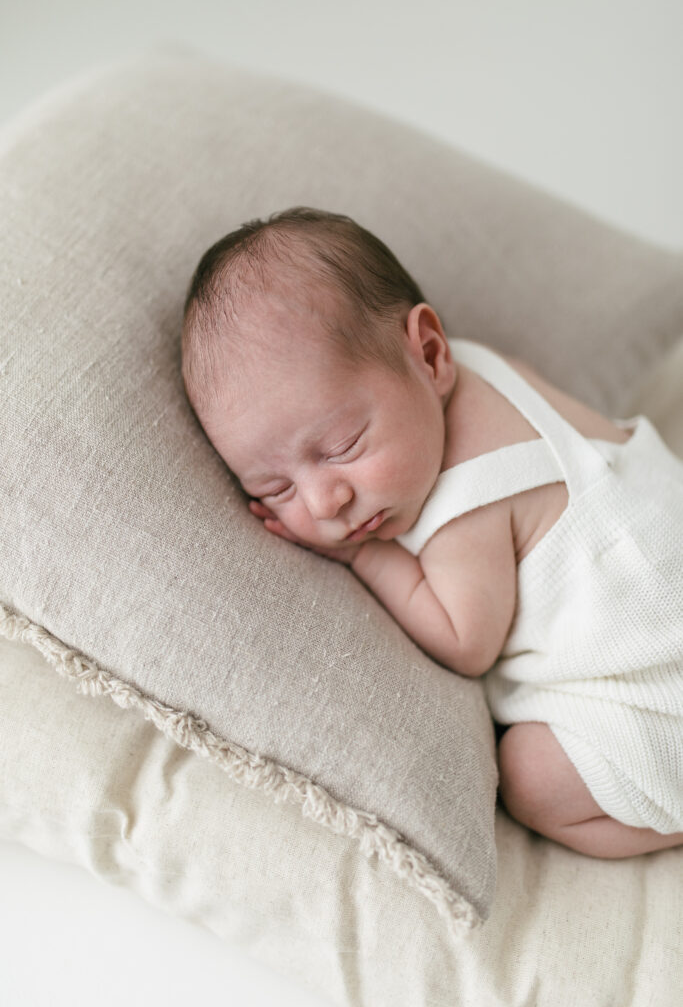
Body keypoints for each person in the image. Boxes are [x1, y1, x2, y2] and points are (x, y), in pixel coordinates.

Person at [181, 206, 683, 859]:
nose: (324, 500)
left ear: (428, 353)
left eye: (339, 445)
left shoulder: (463, 508)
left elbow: (464, 640)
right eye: (273, 489)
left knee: (533, 779)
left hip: (654, 689)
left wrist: (363, 555)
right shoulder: (484, 369)